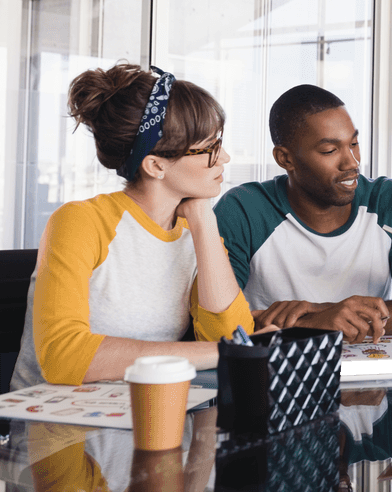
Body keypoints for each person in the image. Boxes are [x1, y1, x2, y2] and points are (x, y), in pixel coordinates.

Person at [11, 63, 253, 389]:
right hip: (50, 428)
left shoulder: (193, 232)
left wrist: (203, 219)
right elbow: (63, 357)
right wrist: (217, 351)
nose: (223, 157)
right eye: (209, 148)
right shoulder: (79, 222)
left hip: (140, 417)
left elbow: (233, 336)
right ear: (155, 165)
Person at [214, 85, 392, 342]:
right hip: (276, 373)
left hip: (371, 375)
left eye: (354, 143)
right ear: (285, 159)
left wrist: (332, 313)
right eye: (330, 151)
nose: (351, 162)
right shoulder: (243, 210)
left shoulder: (388, 201)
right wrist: (316, 323)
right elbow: (215, 321)